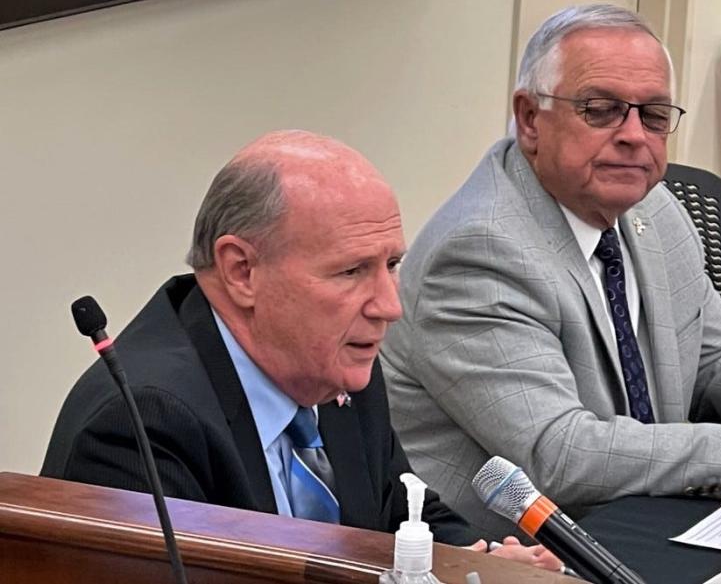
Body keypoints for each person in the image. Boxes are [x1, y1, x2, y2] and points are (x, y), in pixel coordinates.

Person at [381, 4, 721, 538]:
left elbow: (716, 352)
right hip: (522, 552)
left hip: (644, 509)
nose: (633, 136)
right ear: (530, 118)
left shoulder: (650, 205)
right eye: (600, 110)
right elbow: (559, 455)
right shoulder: (478, 254)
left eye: (653, 114)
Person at [40, 130, 559, 569]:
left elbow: (401, 512)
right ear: (242, 270)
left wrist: (477, 562)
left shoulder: (334, 363)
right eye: (352, 271)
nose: (388, 306)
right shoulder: (142, 425)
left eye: (392, 265)